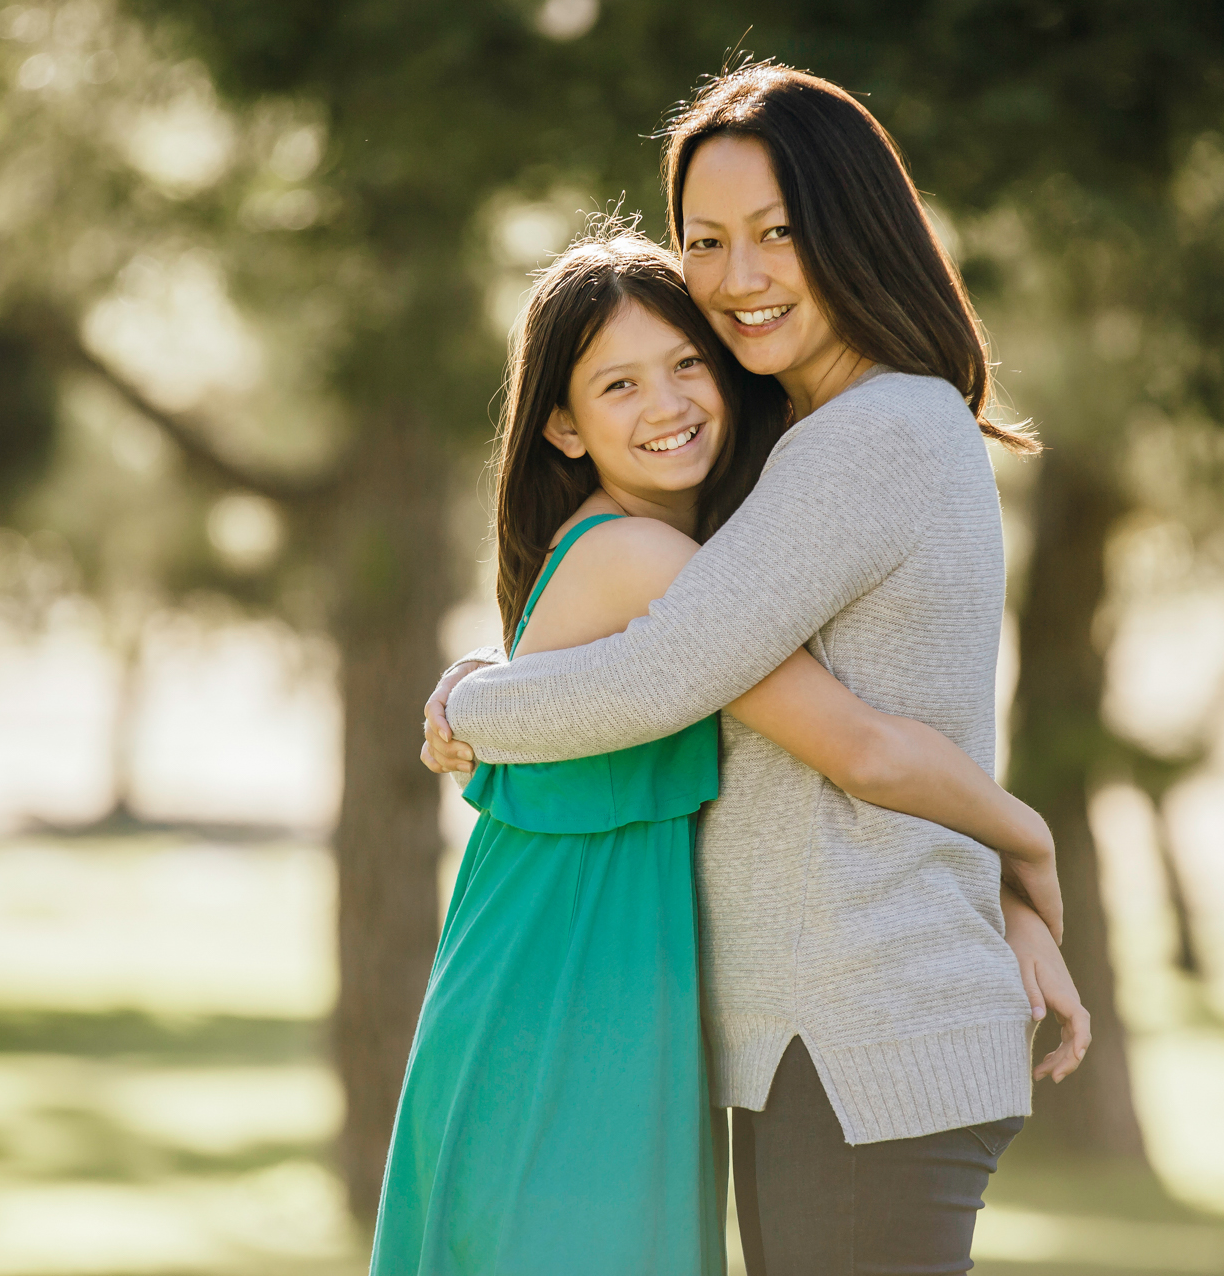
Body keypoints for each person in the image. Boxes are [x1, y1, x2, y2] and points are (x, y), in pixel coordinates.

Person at [427, 63, 1089, 1275]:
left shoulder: (869, 438)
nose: (738, 279)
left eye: (778, 234)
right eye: (707, 241)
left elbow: (658, 678)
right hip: (843, 1035)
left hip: (857, 1034)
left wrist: (471, 706)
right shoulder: (831, 438)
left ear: (854, 229)